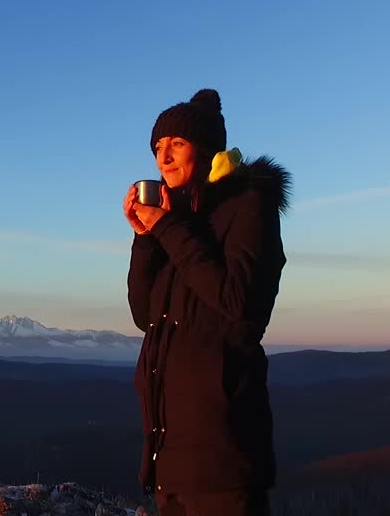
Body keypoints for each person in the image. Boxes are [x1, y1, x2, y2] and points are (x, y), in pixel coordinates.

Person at [123, 88, 291, 516]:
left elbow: (240, 304)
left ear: (208, 149)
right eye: (158, 147)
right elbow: (145, 317)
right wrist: (146, 239)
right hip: (170, 459)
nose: (164, 157)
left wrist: (169, 230)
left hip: (222, 460)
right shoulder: (178, 222)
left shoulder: (248, 208)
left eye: (177, 144)